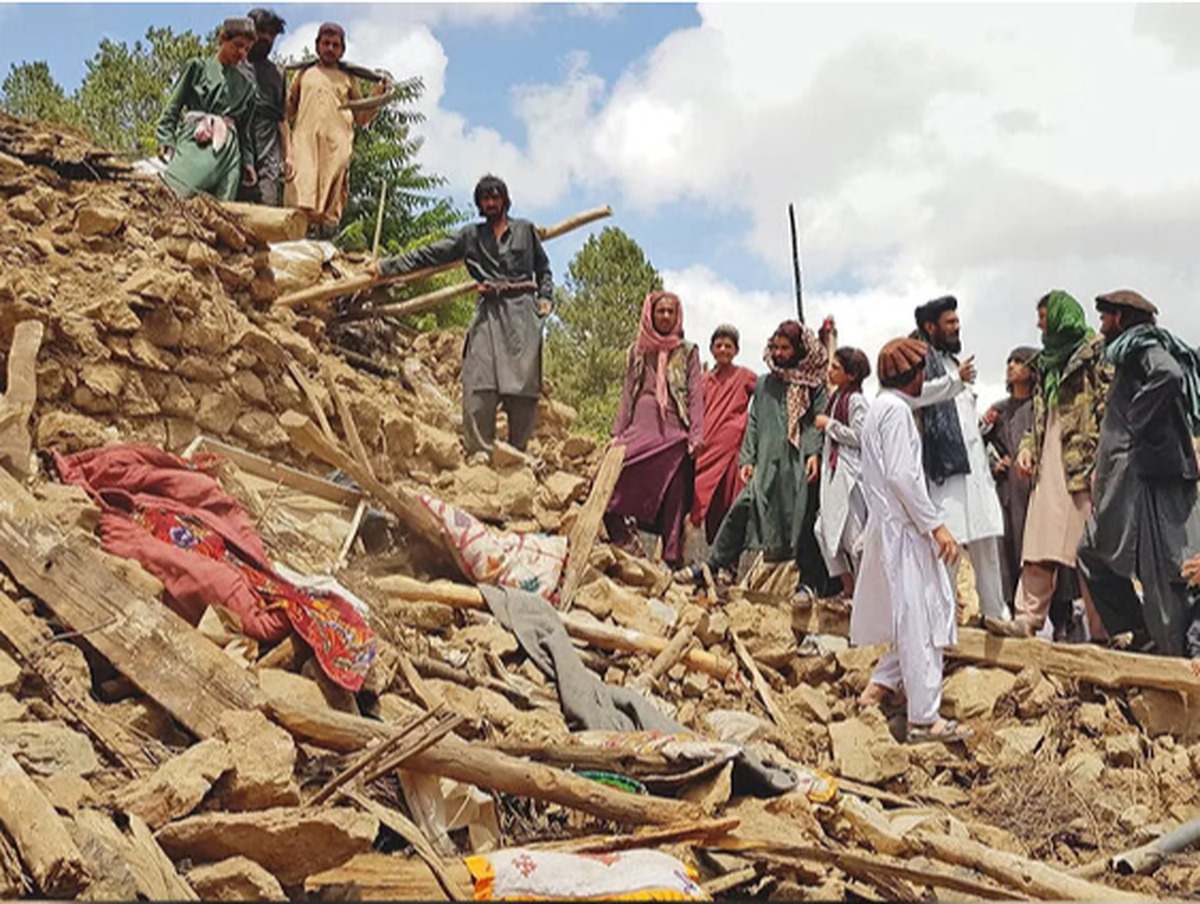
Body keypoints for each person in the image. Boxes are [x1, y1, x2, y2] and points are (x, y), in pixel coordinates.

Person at [374, 175, 553, 457]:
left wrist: (545, 299)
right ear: (480, 204)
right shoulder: (471, 235)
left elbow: (543, 269)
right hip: (488, 311)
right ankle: (479, 450)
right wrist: (387, 267)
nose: (491, 203)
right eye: (485, 199)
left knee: (523, 385)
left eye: (495, 197)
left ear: (505, 200)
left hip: (522, 313)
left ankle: (516, 452)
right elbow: (430, 254)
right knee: (478, 377)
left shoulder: (525, 230)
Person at [853, 338, 969, 744]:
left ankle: (877, 690)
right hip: (905, 531)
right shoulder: (898, 414)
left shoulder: (879, 409)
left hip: (891, 529)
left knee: (910, 619)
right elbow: (903, 476)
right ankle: (925, 718)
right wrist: (934, 525)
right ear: (916, 375)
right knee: (923, 622)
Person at [1077, 289, 1200, 656]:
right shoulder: (1133, 352)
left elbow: (1169, 374)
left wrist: (1135, 419)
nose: (1101, 327)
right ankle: (1140, 632)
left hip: (1151, 483)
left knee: (1167, 573)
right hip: (1134, 483)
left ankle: (1175, 660)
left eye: (1105, 318)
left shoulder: (1143, 346)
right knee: (1091, 551)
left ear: (1120, 318)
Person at [989, 291, 1111, 639]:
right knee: (1039, 544)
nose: (1039, 324)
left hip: (1083, 465)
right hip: (1050, 463)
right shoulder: (1047, 364)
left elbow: (1107, 408)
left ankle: (1103, 632)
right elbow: (1042, 418)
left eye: (1043, 316)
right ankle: (1027, 618)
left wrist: (1103, 460)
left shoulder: (1094, 354)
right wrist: (1028, 447)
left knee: (1090, 551)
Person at [704, 320, 829, 596]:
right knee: (745, 505)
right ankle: (713, 565)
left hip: (797, 464)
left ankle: (807, 585)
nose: (780, 353)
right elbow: (755, 421)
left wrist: (813, 454)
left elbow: (816, 422)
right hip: (768, 460)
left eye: (786, 348)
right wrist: (747, 458)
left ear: (798, 350)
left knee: (800, 520)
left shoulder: (813, 385)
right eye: (776, 347)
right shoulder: (764, 383)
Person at [908, 296, 1010, 624]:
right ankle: (944, 622)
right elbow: (916, 396)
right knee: (947, 550)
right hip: (944, 473)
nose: (956, 327)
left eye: (956, 321)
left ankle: (996, 616)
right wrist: (955, 382)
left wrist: (984, 423)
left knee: (986, 547)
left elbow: (963, 419)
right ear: (930, 327)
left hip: (974, 473)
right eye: (949, 323)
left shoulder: (953, 365)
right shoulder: (921, 362)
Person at [605, 292, 703, 568]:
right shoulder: (637, 350)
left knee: (675, 489)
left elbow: (695, 395)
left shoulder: (688, 351)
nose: (666, 317)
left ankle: (671, 557)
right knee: (614, 473)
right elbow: (628, 392)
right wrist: (618, 433)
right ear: (650, 313)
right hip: (642, 423)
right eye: (661, 311)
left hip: (674, 428)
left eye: (671, 312)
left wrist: (696, 435)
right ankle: (622, 536)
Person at [285, 22, 387, 235]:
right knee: (300, 195)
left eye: (335, 45)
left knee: (332, 202)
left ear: (342, 50)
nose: (330, 48)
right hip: (305, 146)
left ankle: (326, 247)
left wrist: (378, 94)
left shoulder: (348, 78)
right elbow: (287, 110)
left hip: (336, 148)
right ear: (317, 45)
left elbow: (361, 117)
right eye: (326, 43)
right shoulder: (304, 73)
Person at [155, 18, 259, 201]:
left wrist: (248, 163)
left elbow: (245, 132)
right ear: (223, 38)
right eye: (238, 45)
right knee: (174, 196)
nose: (242, 53)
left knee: (220, 215)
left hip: (230, 153)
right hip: (199, 139)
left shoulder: (247, 87)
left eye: (247, 49)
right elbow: (173, 105)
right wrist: (165, 138)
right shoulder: (197, 68)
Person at [688, 325, 757, 545]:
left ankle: (727, 565)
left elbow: (768, 393)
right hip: (706, 449)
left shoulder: (745, 376)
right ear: (712, 349)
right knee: (697, 499)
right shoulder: (703, 380)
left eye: (729, 345)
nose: (723, 349)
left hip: (732, 451)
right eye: (719, 345)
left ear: (736, 350)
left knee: (731, 503)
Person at [981, 345, 1039, 605]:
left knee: (1038, 549)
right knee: (1007, 549)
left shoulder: (1041, 407)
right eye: (1009, 361)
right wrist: (994, 464)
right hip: (1006, 490)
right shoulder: (999, 410)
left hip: (1036, 487)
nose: (1012, 366)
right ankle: (1008, 608)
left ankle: (1061, 619)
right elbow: (978, 444)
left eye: (1019, 361)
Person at [814, 346, 871, 598]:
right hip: (833, 474)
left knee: (852, 536)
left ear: (851, 374)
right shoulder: (836, 398)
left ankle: (863, 594)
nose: (830, 371)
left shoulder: (856, 401)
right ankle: (849, 587)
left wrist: (831, 425)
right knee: (823, 530)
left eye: (836, 367)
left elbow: (861, 437)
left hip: (850, 475)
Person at [238, 8, 292, 206]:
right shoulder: (233, 63)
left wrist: (289, 157)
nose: (267, 38)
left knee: (267, 209)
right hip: (236, 154)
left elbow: (282, 118)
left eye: (272, 34)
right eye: (263, 31)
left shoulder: (277, 74)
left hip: (268, 157)